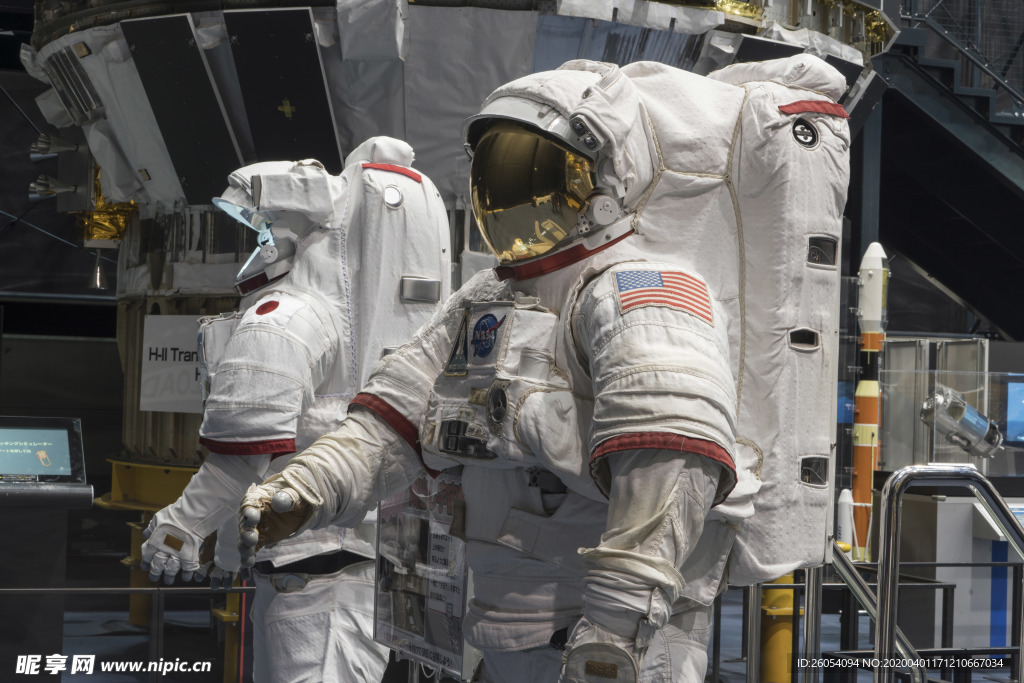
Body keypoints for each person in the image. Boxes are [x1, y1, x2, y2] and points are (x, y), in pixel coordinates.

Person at [238, 55, 851, 682]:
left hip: (612, 640)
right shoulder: (488, 297)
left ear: (608, 183)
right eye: (498, 173)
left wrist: (616, 622)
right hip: (505, 617)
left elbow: (670, 457)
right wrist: (308, 488)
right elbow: (395, 416)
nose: (514, 196)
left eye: (537, 173)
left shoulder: (645, 292)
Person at [140, 138, 451, 682]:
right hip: (374, 565)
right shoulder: (394, 327)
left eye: (264, 226)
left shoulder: (289, 317)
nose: (261, 240)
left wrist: (181, 526)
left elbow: (245, 452)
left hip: (308, 567)